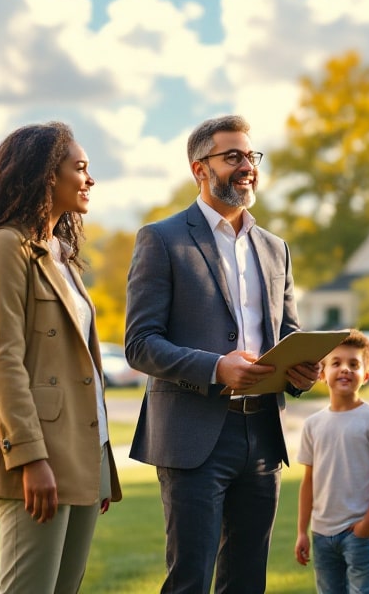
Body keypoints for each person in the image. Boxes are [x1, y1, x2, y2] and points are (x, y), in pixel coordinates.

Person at [124, 114, 322, 594]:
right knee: (190, 578)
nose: (246, 166)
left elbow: (287, 332)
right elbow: (140, 343)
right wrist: (216, 368)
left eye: (250, 156)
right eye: (232, 156)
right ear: (200, 169)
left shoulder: (276, 248)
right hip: (194, 437)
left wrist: (303, 370)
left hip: (263, 435)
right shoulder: (162, 239)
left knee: (247, 580)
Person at [0, 122, 122, 594]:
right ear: (47, 176)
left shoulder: (62, 256)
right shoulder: (5, 247)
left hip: (82, 454)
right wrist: (31, 459)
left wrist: (100, 465)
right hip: (39, 457)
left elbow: (82, 369)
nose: (89, 179)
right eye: (81, 168)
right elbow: (1, 361)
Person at [294, 330, 369, 594]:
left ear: (365, 375)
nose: (345, 369)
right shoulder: (313, 424)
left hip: (359, 534)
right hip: (321, 534)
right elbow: (308, 482)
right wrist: (302, 531)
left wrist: (368, 524)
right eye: (336, 363)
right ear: (321, 373)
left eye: (354, 364)